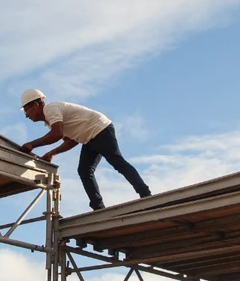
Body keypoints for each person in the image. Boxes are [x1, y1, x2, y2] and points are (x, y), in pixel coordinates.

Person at [19, 89, 151, 211]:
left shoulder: (50, 109)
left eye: (26, 110)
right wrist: (51, 153)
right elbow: (72, 140)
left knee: (117, 162)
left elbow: (56, 134)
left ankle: (145, 194)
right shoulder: (51, 120)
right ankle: (98, 207)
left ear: (36, 104)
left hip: (100, 129)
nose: (26, 115)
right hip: (89, 137)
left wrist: (32, 144)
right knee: (84, 170)